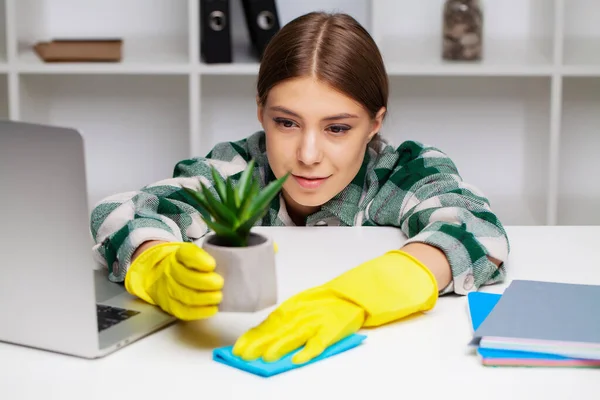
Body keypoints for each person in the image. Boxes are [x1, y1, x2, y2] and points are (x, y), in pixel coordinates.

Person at [90, 12, 509, 365]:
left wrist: (360, 296)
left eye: (338, 128)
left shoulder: (402, 173)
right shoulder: (237, 169)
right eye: (286, 123)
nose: (308, 154)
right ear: (260, 111)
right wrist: (155, 264)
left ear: (375, 123)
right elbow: (121, 209)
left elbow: (477, 228)